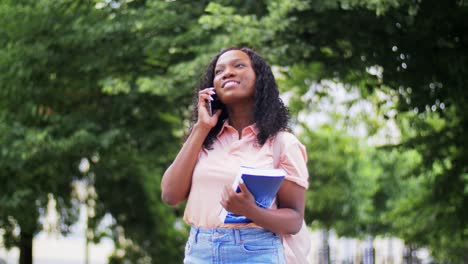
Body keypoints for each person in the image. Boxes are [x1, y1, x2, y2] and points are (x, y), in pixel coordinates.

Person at [161, 47, 309, 263]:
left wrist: (250, 211)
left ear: (260, 79)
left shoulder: (282, 143)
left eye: (238, 66)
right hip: (200, 251)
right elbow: (170, 195)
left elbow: (294, 220)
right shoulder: (204, 140)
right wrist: (201, 127)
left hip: (256, 251)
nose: (227, 73)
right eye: (219, 71)